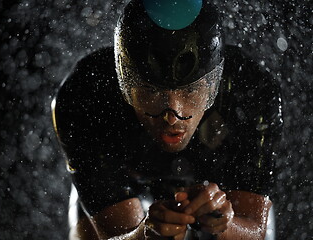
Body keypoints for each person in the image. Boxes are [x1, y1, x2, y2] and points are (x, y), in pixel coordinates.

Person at [51, 0, 283, 239]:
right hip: (124, 182)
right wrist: (144, 234)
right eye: (151, 91)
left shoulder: (251, 91)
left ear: (214, 86)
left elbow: (254, 228)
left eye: (190, 91)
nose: (171, 116)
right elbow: (113, 234)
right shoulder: (86, 95)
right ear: (124, 85)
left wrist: (226, 223)